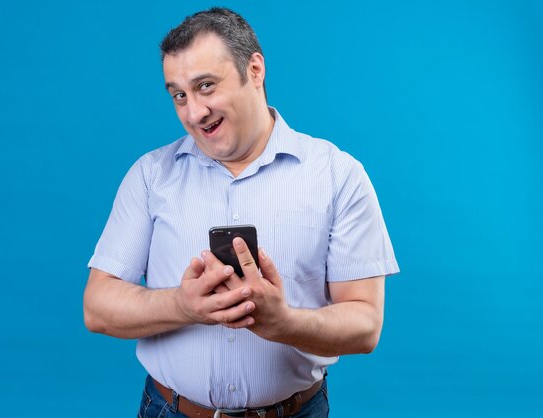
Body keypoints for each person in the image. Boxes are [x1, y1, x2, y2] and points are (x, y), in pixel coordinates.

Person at [84, 7, 399, 418]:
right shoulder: (150, 176)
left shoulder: (338, 176)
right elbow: (97, 306)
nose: (194, 112)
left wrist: (285, 322)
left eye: (206, 86)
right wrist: (183, 305)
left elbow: (365, 325)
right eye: (179, 95)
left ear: (254, 70)